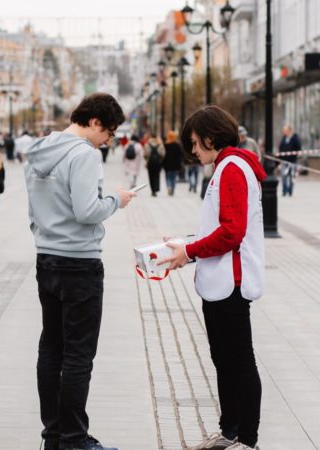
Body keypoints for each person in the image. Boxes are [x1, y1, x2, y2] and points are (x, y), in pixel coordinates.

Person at [24, 92, 136, 450]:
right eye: (109, 133)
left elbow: (34, 207)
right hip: (79, 262)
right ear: (94, 123)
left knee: (50, 349)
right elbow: (87, 210)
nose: (109, 141)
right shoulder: (84, 154)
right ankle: (74, 439)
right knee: (77, 355)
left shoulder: (42, 150)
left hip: (46, 258)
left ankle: (53, 435)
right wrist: (116, 199)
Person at [161, 105, 265, 450]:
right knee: (223, 357)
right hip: (219, 281)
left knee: (238, 359)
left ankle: (247, 440)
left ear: (210, 137)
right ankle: (230, 429)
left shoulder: (232, 168)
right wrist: (185, 244)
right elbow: (217, 228)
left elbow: (232, 233)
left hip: (231, 282)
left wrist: (189, 252)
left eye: (194, 142)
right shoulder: (225, 167)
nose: (192, 150)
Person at [279, 124, 301, 196]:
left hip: (292, 161)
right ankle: (284, 190)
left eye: (285, 130)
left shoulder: (295, 138)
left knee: (292, 176)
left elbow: (298, 149)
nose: (284, 132)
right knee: (283, 176)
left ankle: (290, 190)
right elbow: (281, 148)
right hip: (284, 161)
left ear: (289, 130)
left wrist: (295, 156)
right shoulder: (283, 138)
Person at [162, 131, 184, 196]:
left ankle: (169, 187)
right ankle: (173, 190)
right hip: (176, 165)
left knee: (168, 177)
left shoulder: (165, 145)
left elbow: (163, 155)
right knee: (174, 178)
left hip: (167, 165)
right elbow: (181, 155)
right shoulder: (177, 145)